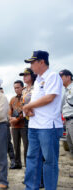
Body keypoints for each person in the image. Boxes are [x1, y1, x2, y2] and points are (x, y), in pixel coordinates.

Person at [23, 50, 63, 190]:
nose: (31, 66)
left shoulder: (52, 76)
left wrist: (28, 106)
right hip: (34, 125)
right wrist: (28, 109)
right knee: (32, 159)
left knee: (49, 161)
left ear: (41, 62)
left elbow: (49, 97)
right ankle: (30, 187)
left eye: (33, 62)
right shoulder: (38, 80)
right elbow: (37, 102)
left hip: (48, 126)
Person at [8, 80, 28, 169]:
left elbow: (25, 111)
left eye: (18, 87)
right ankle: (17, 163)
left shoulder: (26, 97)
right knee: (16, 145)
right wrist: (10, 118)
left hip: (24, 125)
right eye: (15, 88)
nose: (16, 89)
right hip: (14, 126)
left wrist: (17, 119)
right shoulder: (13, 99)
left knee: (26, 146)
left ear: (22, 87)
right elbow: (9, 110)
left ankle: (28, 164)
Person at [60, 69, 73, 156]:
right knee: (71, 146)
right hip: (67, 121)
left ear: (68, 77)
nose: (60, 79)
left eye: (61, 77)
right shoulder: (66, 90)